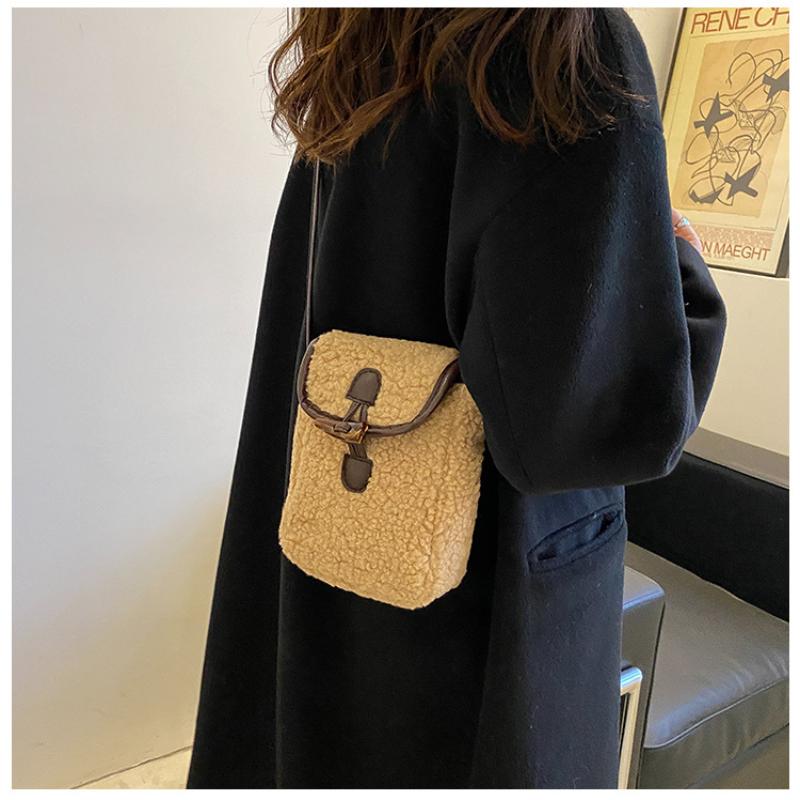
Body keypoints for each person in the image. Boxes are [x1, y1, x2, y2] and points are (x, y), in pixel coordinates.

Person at [187, 8, 726, 789]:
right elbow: (591, 421)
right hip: (478, 617)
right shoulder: (558, 42)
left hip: (330, 547)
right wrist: (679, 265)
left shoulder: (366, 38)